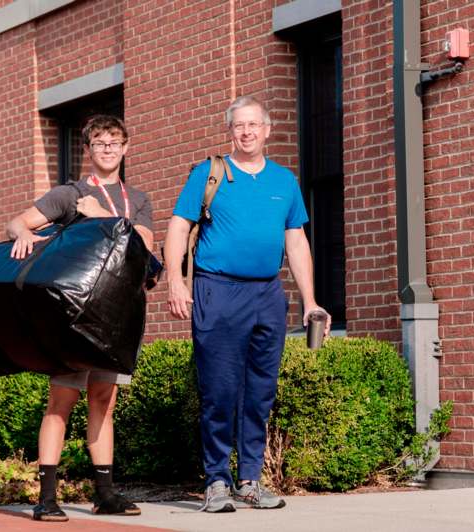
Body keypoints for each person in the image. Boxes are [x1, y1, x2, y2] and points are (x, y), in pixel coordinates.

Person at [163, 96, 331, 512]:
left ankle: (250, 480)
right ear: (230, 131)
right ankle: (217, 481)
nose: (247, 132)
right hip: (217, 290)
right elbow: (179, 227)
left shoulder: (284, 181)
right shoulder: (209, 174)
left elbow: (296, 242)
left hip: (267, 293)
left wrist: (310, 301)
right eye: (239, 125)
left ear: (268, 130)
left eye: (254, 124)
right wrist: (175, 283)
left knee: (260, 391)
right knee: (219, 390)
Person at [6, 114, 154, 522]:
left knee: (104, 402)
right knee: (60, 402)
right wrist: (21, 233)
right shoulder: (67, 195)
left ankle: (105, 494)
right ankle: (46, 499)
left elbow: (144, 244)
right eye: (100, 143)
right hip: (72, 318)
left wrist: (101, 215)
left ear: (125, 149)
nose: (108, 149)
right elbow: (19, 220)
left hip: (117, 317)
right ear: (87, 150)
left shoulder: (136, 199)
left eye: (115, 143)